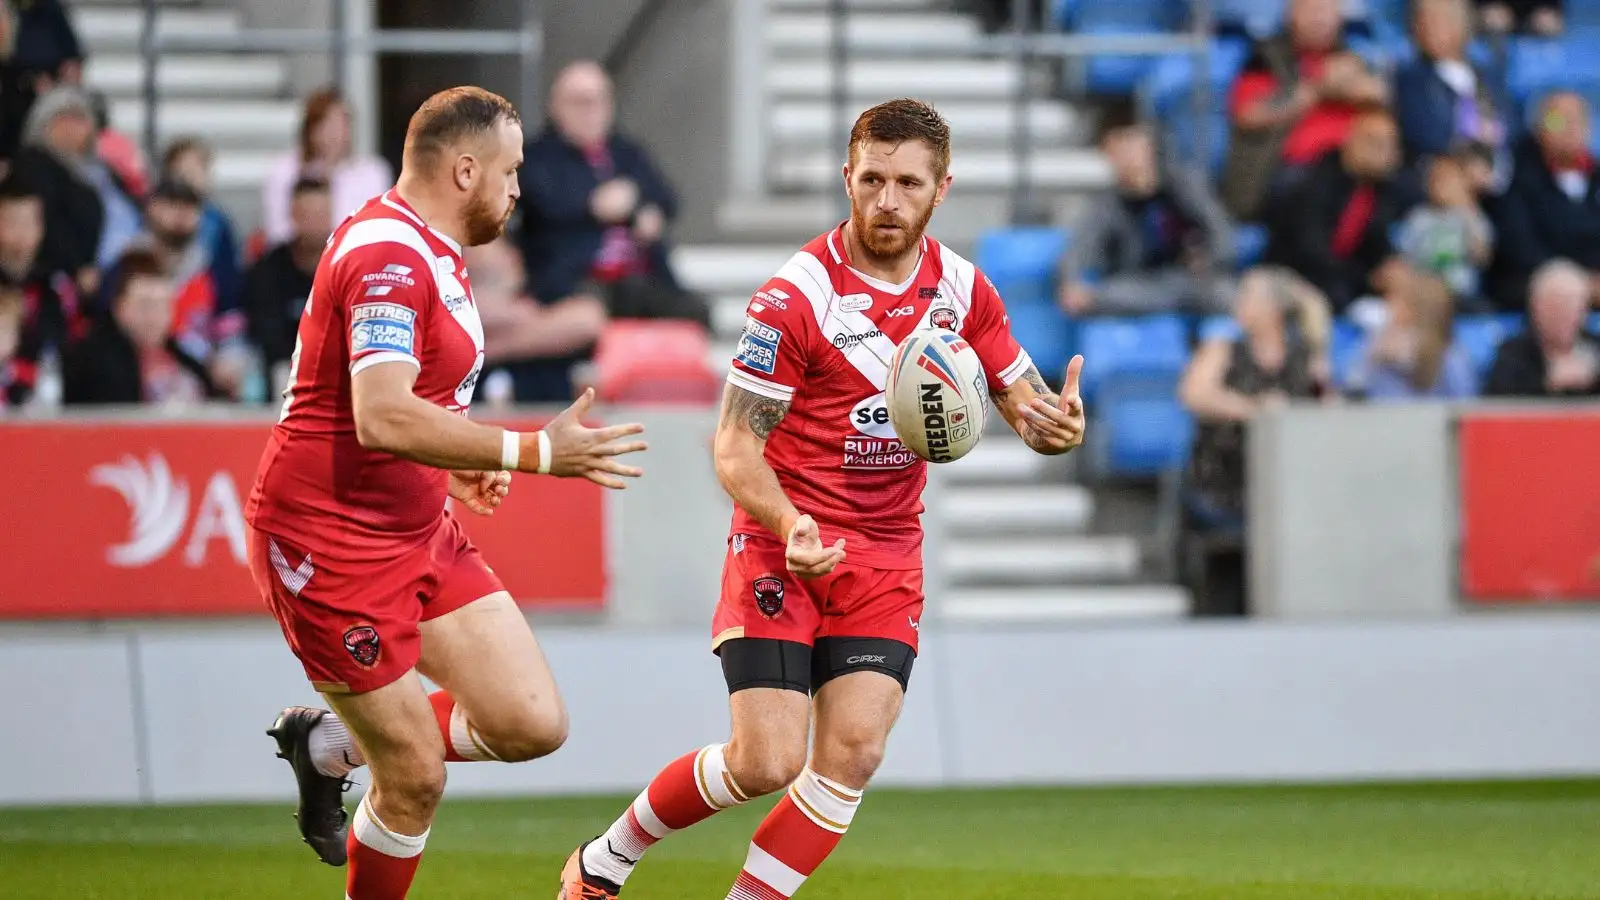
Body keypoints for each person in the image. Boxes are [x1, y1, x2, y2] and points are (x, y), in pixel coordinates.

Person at [555, 98, 1088, 900]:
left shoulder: (965, 294)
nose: (887, 201)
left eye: (908, 183)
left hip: (884, 554)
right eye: (871, 179)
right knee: (763, 762)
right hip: (783, 541)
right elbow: (734, 445)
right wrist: (788, 522)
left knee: (855, 756)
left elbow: (1026, 406)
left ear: (942, 188)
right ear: (847, 176)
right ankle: (607, 858)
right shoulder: (795, 298)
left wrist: (1058, 426)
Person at [246, 86, 648, 900]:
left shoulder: (433, 248)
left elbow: (409, 405)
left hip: (415, 527)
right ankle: (364, 759)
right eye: (512, 169)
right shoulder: (390, 253)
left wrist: (455, 459)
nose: (519, 188)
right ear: (466, 168)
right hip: (330, 543)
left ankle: (331, 742)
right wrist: (529, 448)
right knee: (416, 776)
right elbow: (381, 412)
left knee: (531, 723)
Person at [515, 61, 708, 400]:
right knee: (596, 310)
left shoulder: (625, 152)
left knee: (693, 309)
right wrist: (593, 206)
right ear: (556, 106)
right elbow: (540, 201)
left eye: (598, 101)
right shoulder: (538, 155)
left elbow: (665, 197)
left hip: (638, 274)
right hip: (574, 276)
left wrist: (641, 208)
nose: (591, 112)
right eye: (580, 102)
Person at [1178, 266, 1331, 615]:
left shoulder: (1304, 356)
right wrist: (1254, 410)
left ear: (1272, 309)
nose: (1240, 303)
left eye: (1249, 296)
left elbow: (1323, 405)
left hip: (1288, 485)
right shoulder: (1224, 349)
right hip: (1224, 482)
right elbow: (1194, 393)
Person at [1058, 100, 1234, 317]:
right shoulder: (1106, 204)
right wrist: (1070, 282)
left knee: (1228, 298)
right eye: (1118, 146)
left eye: (1133, 141)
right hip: (1137, 285)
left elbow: (1222, 233)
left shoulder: (1184, 184)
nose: (1128, 153)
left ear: (1149, 142)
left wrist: (1207, 259)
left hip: (1192, 281)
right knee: (1111, 294)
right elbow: (1079, 249)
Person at [1264, 109, 1408, 313]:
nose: (1385, 154)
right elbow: (1310, 251)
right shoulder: (1314, 182)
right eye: (1375, 143)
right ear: (1350, 140)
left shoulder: (1383, 191)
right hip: (1296, 280)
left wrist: (1388, 269)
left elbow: (1376, 246)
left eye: (1391, 146)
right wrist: (1366, 277)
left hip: (1346, 284)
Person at [62, 246, 210, 406]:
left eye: (163, 305)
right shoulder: (93, 365)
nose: (155, 316)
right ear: (118, 306)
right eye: (145, 305)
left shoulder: (185, 361)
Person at [260, 87, 392, 245]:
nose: (334, 133)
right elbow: (278, 232)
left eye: (341, 124)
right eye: (326, 124)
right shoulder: (283, 170)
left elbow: (380, 229)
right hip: (299, 259)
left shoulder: (373, 172)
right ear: (310, 128)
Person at [243, 177, 331, 394]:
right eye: (308, 214)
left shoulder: (347, 264)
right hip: (283, 366)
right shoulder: (268, 269)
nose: (315, 222)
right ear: (293, 215)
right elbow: (265, 331)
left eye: (321, 214)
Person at [1349, 269, 1479, 399]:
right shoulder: (1378, 345)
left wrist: (1412, 358)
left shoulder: (1452, 358)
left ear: (1412, 312)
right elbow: (1353, 391)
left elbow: (1465, 404)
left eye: (1397, 301)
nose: (1390, 307)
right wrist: (1373, 357)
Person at [1484, 258, 1600, 396]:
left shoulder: (1596, 346)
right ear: (1535, 307)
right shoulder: (1512, 354)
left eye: (1576, 307)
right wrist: (1546, 383)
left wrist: (1593, 379)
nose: (1568, 316)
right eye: (1559, 307)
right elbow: (1495, 405)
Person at [1396, 152, 1494, 307]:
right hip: (1424, 293)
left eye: (1450, 180)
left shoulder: (1472, 215)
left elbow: (1483, 258)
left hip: (1461, 294)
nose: (1443, 186)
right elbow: (1404, 258)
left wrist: (1465, 210)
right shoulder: (1418, 218)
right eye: (1437, 180)